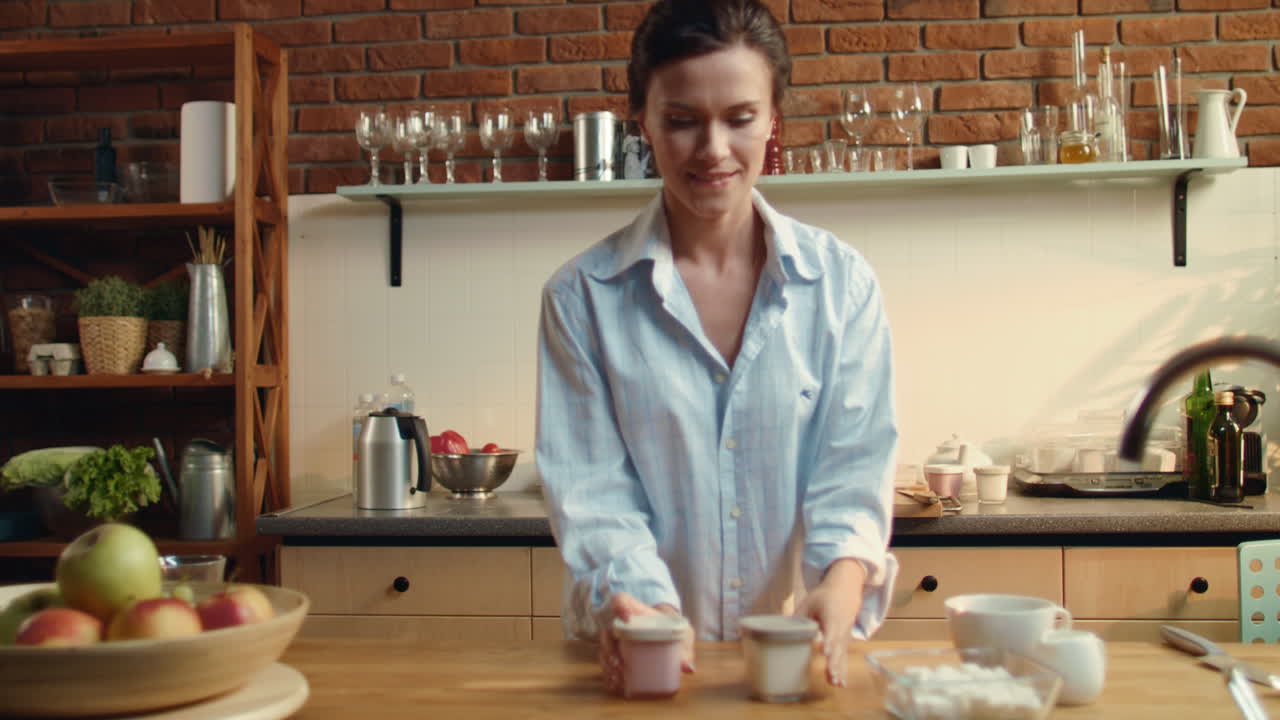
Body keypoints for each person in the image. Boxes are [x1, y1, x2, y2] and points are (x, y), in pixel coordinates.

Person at [535, 0, 899, 692]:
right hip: (633, 663)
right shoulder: (581, 297)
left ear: (773, 121)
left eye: (739, 117)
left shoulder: (841, 284)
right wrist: (650, 613)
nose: (713, 150)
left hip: (790, 664)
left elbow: (853, 467)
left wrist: (844, 580)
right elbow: (595, 495)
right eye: (681, 121)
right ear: (641, 122)